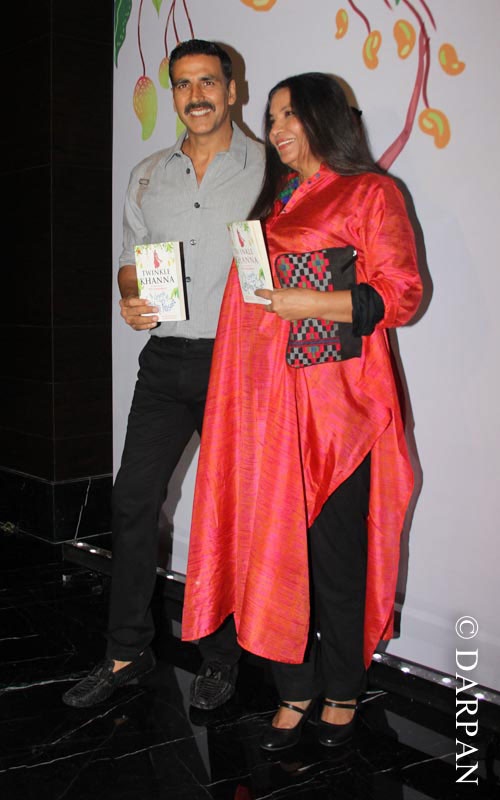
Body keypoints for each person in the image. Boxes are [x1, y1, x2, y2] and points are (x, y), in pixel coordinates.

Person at [181, 72, 422, 749]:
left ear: (325, 118)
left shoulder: (370, 192)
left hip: (340, 413)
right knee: (275, 554)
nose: (278, 129)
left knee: (335, 559)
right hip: (269, 412)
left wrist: (312, 303)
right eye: (273, 117)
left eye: (291, 115)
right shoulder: (274, 204)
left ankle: (342, 688)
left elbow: (402, 294)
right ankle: (294, 687)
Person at [62, 40, 264, 709]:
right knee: (131, 500)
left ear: (232, 90)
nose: (195, 95)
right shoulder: (149, 173)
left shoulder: (269, 169)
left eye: (208, 81)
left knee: (223, 513)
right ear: (173, 93)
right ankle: (126, 651)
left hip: (237, 364)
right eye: (182, 84)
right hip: (164, 362)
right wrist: (129, 296)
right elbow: (130, 258)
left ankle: (221, 657)